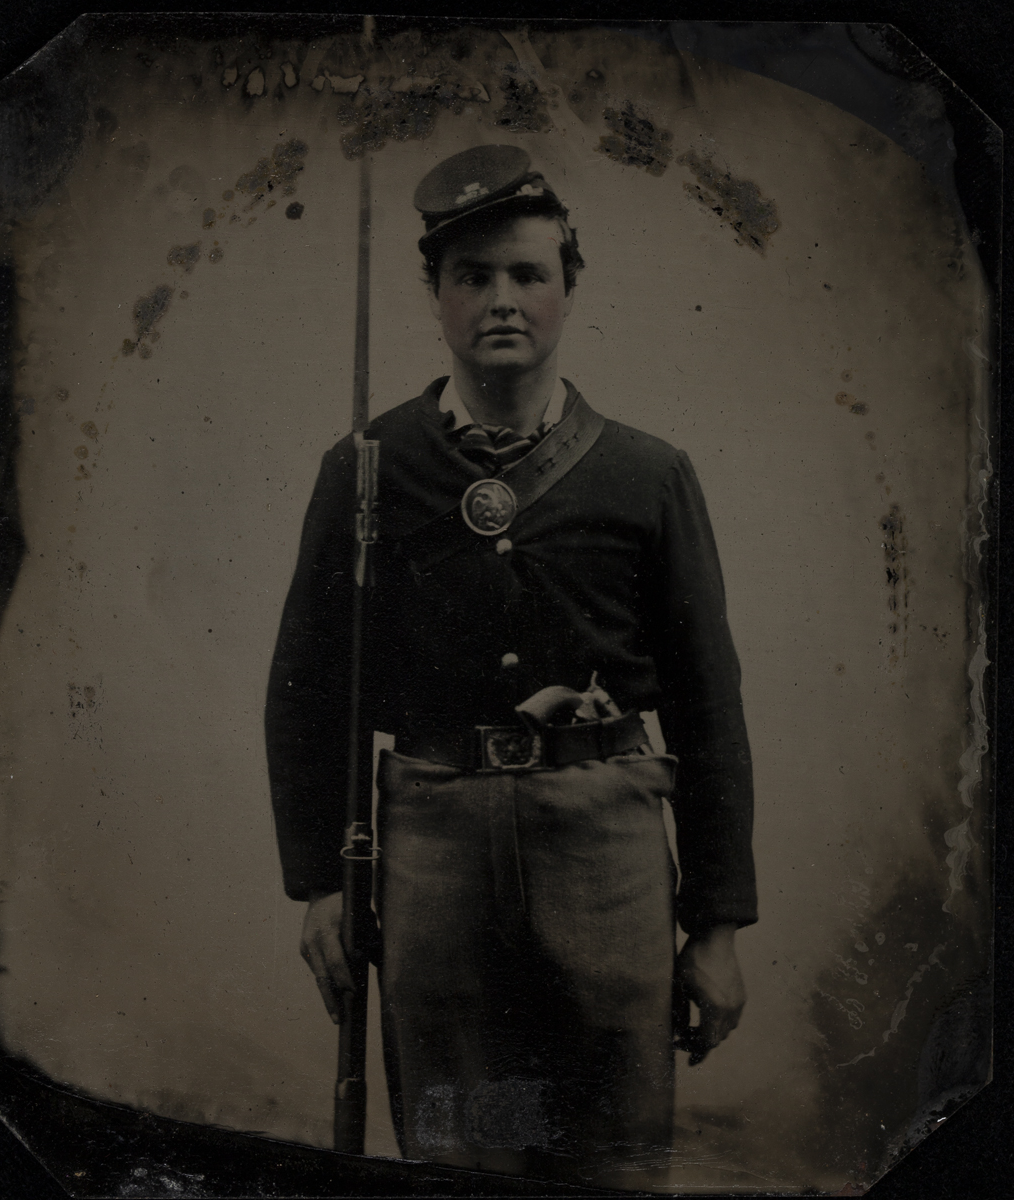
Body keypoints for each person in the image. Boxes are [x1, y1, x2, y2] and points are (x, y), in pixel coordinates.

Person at [265, 144, 757, 1187]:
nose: (500, 300)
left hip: (607, 843)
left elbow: (710, 707)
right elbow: (306, 688)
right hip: (433, 847)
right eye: (471, 276)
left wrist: (714, 926)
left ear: (567, 287)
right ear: (435, 294)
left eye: (527, 274)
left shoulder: (647, 474)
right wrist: (319, 884)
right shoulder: (368, 468)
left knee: (610, 1148)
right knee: (459, 1140)